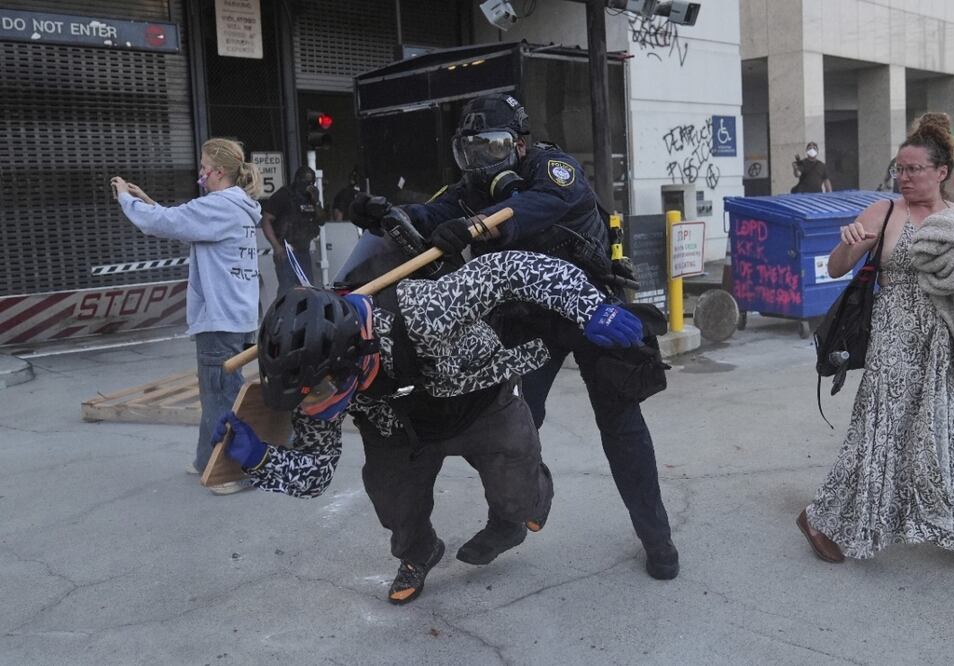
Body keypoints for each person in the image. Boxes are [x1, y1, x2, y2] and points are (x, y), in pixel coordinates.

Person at [351, 93, 680, 580]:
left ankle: (658, 541)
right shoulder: (469, 191)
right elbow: (428, 216)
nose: (482, 164)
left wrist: (476, 227)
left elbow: (542, 204)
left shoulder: (554, 169)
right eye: (472, 152)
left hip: (590, 308)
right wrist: (384, 214)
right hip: (529, 320)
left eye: (493, 149)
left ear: (521, 145)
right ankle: (510, 519)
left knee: (621, 424)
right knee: (511, 421)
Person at [211, 249, 648, 604]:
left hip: (480, 401)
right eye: (302, 398)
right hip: (400, 429)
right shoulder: (316, 384)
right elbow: (315, 473)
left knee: (518, 494)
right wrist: (258, 459)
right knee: (392, 501)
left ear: (348, 359)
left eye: (317, 393)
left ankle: (517, 516)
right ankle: (420, 555)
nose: (313, 406)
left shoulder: (421, 311)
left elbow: (510, 270)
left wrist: (588, 306)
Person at [797, 112, 954, 565]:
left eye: (913, 169)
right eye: (899, 168)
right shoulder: (884, 212)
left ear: (941, 172)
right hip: (895, 340)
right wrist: (850, 243)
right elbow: (835, 268)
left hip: (950, 342)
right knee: (880, 433)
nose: (903, 177)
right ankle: (821, 518)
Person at [111, 138, 262, 495]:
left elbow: (163, 224)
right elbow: (182, 222)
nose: (201, 175)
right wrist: (149, 202)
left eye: (203, 169)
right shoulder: (238, 207)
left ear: (219, 172)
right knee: (218, 391)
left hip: (219, 317)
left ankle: (232, 471)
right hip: (237, 315)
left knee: (219, 395)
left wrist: (125, 198)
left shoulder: (218, 206)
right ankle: (204, 460)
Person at [261, 166, 326, 293]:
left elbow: (322, 221)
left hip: (304, 250)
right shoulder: (284, 195)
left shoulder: (311, 197)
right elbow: (266, 220)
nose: (308, 185)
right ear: (297, 180)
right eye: (305, 182)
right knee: (287, 290)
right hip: (286, 250)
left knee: (307, 290)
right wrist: (276, 246)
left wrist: (316, 201)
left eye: (311, 182)